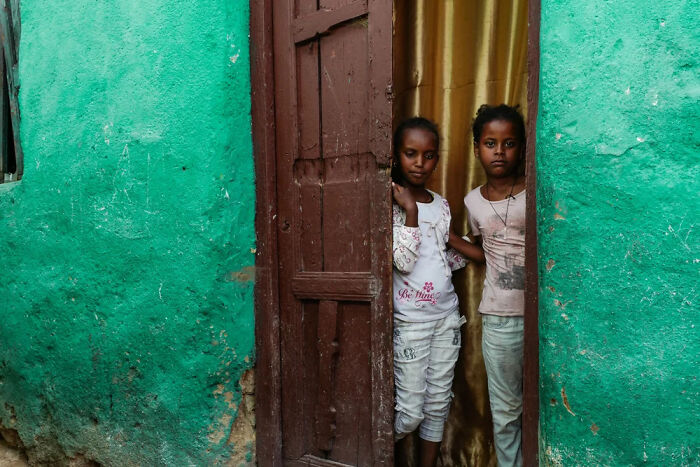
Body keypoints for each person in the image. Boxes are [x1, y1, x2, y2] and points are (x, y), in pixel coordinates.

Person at [391, 117, 485, 467]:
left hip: (446, 319)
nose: (419, 163)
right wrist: (411, 212)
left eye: (429, 155)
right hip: (411, 323)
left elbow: (440, 257)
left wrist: (470, 248)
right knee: (410, 413)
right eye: (411, 153)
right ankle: (365, 448)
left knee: (436, 407)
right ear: (397, 155)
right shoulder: (392, 203)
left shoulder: (442, 204)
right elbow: (401, 260)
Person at [449, 104, 527, 467]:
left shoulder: (535, 188)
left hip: (545, 317)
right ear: (477, 147)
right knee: (506, 410)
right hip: (500, 318)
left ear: (522, 147)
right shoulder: (472, 201)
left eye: (509, 143)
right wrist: (447, 237)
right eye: (490, 143)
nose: (500, 151)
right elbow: (483, 252)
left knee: (547, 403)